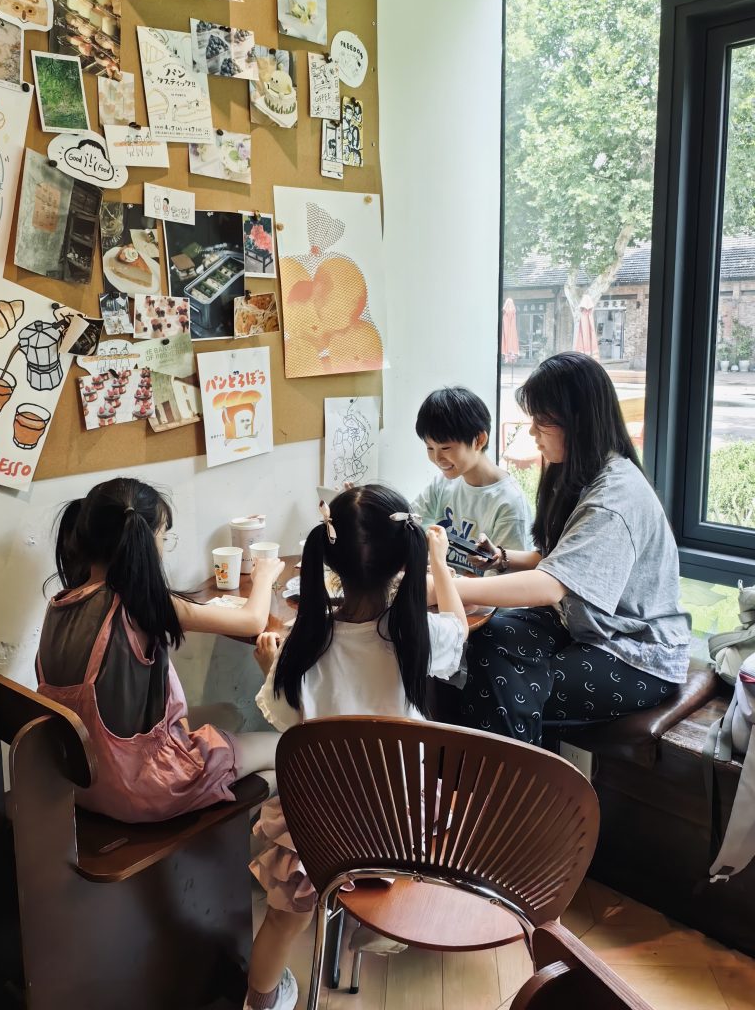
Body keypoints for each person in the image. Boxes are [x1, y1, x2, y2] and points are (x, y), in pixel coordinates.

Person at [243, 485, 467, 1010]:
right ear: (404, 561)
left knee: (282, 920)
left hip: (318, 829)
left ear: (329, 562)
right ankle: (382, 916)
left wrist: (270, 668)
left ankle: (260, 1000)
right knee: (442, 807)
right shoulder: (417, 638)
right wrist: (440, 564)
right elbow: (460, 628)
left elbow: (289, 722)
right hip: (398, 828)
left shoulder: (302, 646)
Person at [435, 353, 690, 745]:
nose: (532, 432)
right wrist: (503, 558)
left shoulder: (614, 497)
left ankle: (504, 783)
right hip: (583, 623)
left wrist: (445, 586)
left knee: (497, 685)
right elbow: (560, 560)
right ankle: (497, 777)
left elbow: (550, 584)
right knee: (479, 645)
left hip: (636, 649)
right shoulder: (577, 471)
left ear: (578, 422)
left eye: (541, 422)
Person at [37, 477, 285, 823]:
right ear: (145, 538)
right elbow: (252, 620)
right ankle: (248, 842)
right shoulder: (140, 604)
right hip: (144, 789)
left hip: (85, 783)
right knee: (286, 749)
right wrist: (264, 576)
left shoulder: (59, 605)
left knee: (227, 713)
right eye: (163, 535)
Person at [412, 386, 532, 574]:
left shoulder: (509, 502)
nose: (437, 458)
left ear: (479, 440)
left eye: (445, 448)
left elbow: (504, 584)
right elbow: (411, 524)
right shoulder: (442, 484)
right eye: (429, 448)